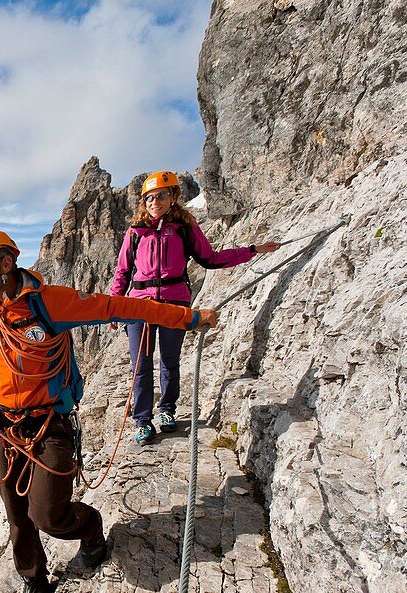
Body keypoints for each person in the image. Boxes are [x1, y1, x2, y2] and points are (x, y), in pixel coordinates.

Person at [0, 229, 219, 593]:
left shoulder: (51, 304)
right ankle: (34, 579)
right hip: (6, 426)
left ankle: (91, 527)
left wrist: (188, 318)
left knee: (48, 515)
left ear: (6, 263)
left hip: (51, 425)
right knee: (17, 516)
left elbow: (122, 308)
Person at [109, 170, 279, 444]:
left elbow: (210, 258)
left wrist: (252, 250)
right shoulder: (136, 232)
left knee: (169, 360)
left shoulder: (185, 228)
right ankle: (142, 421)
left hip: (174, 301)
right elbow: (122, 272)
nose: (155, 202)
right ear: (144, 202)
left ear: (174, 197)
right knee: (140, 364)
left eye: (161, 196)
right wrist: (113, 306)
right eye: (150, 198)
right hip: (139, 305)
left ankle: (166, 410)